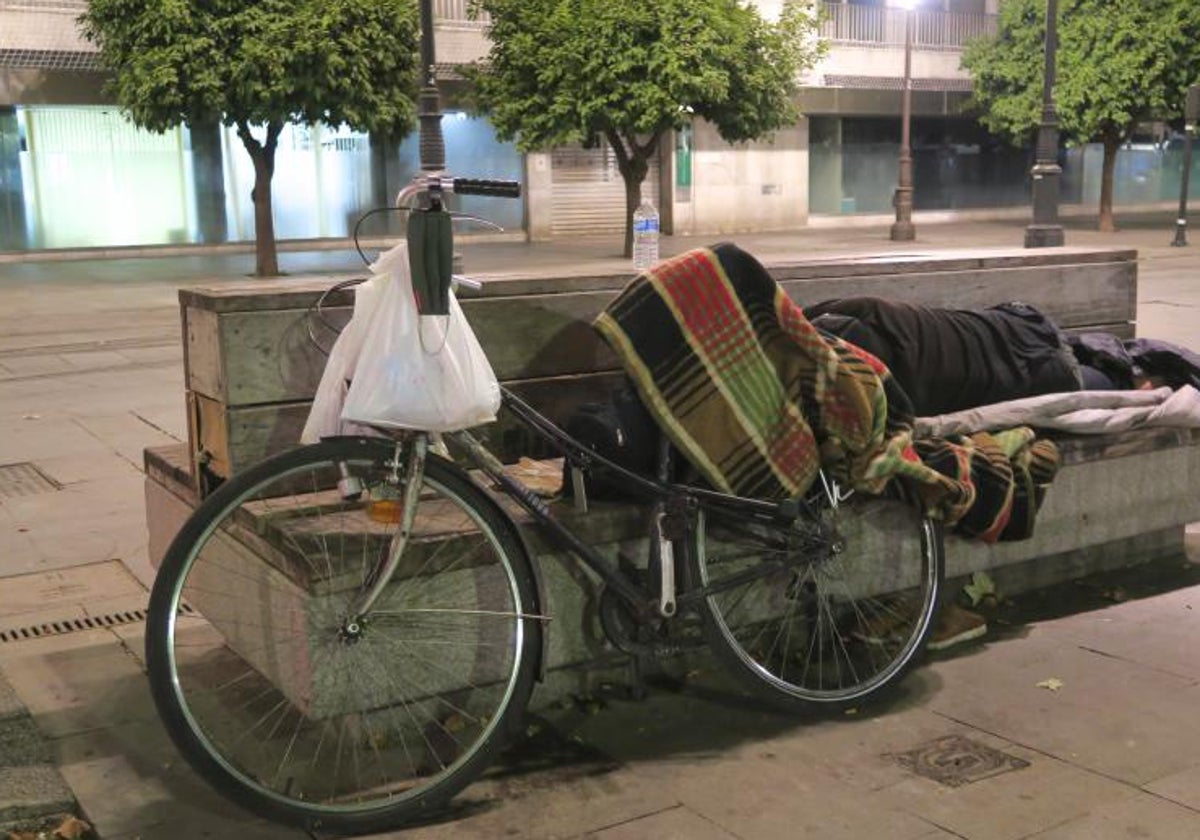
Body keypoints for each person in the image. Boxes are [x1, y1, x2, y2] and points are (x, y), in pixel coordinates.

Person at [803, 296, 1191, 416]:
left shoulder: (880, 378)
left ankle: (1144, 382)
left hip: (1031, 355)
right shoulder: (862, 317)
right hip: (1019, 331)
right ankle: (1142, 379)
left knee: (1111, 379)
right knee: (1108, 370)